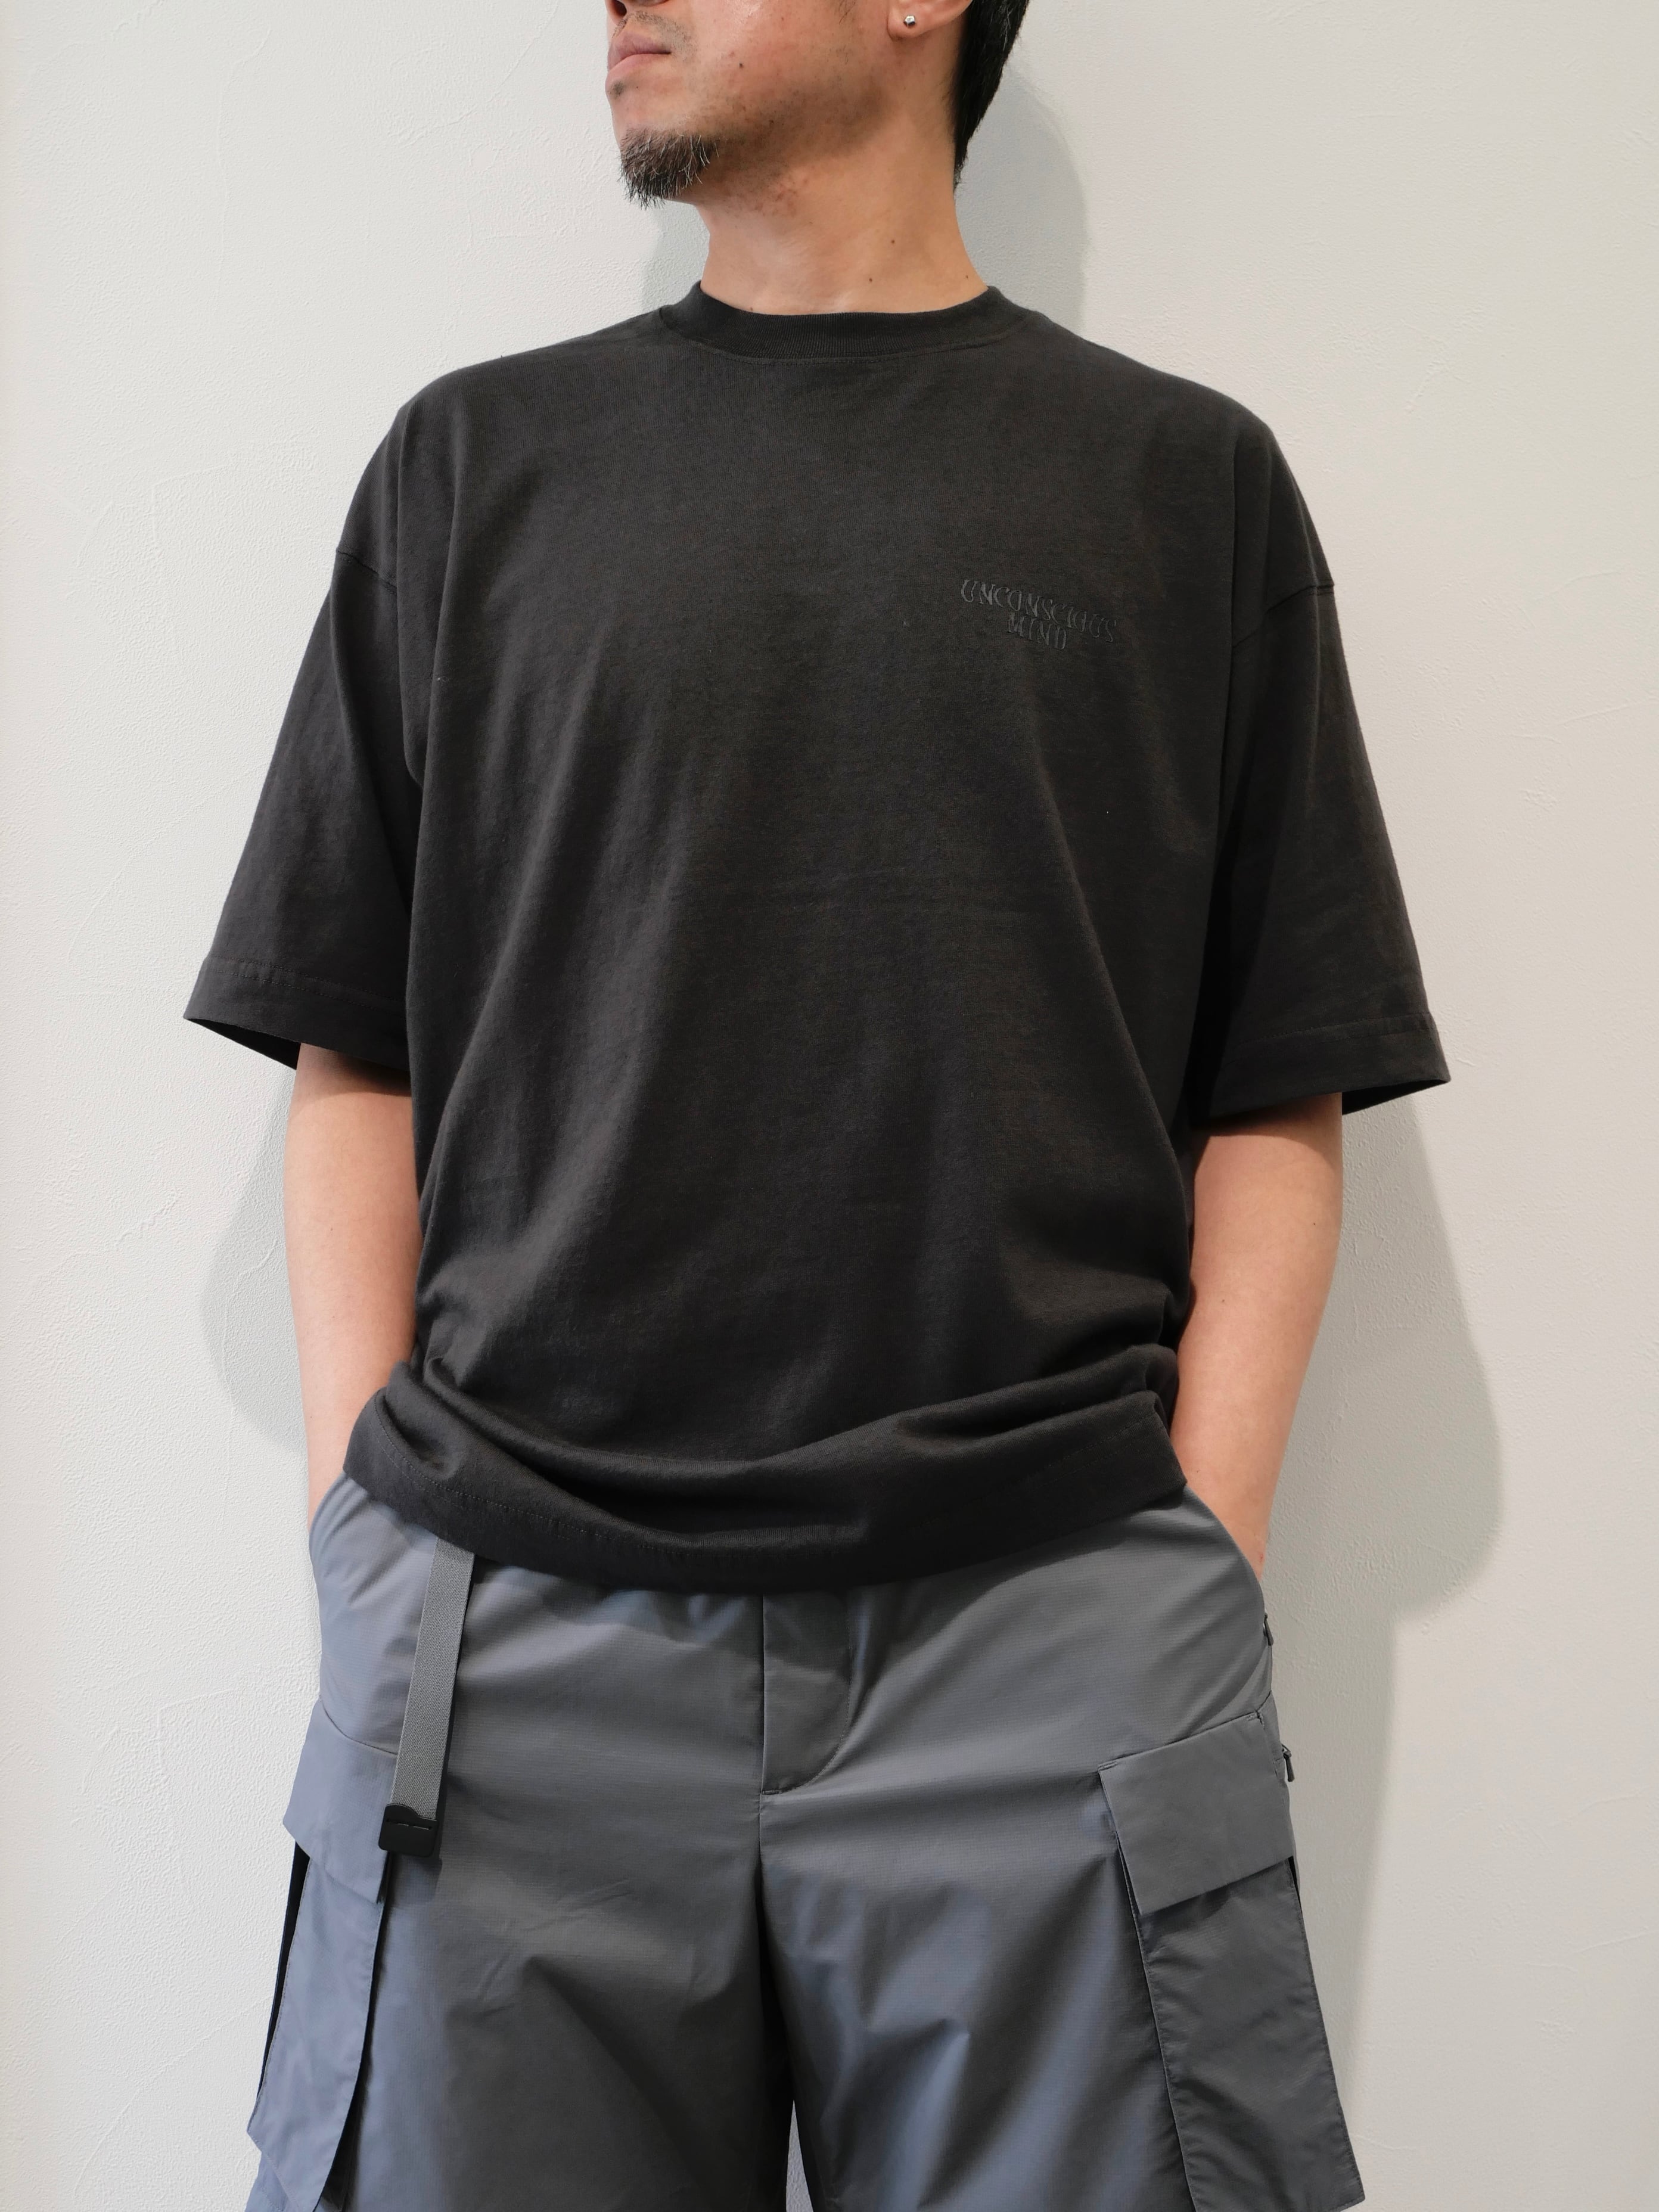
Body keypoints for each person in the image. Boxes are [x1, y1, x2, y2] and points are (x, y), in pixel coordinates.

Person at [185, 0, 1447, 2205]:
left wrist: (1195, 1571)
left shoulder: (1185, 487)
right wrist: (366, 1551)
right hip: (514, 1651)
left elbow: (1278, 1079)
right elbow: (351, 1044)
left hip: (1046, 1646)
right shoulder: (471, 471)